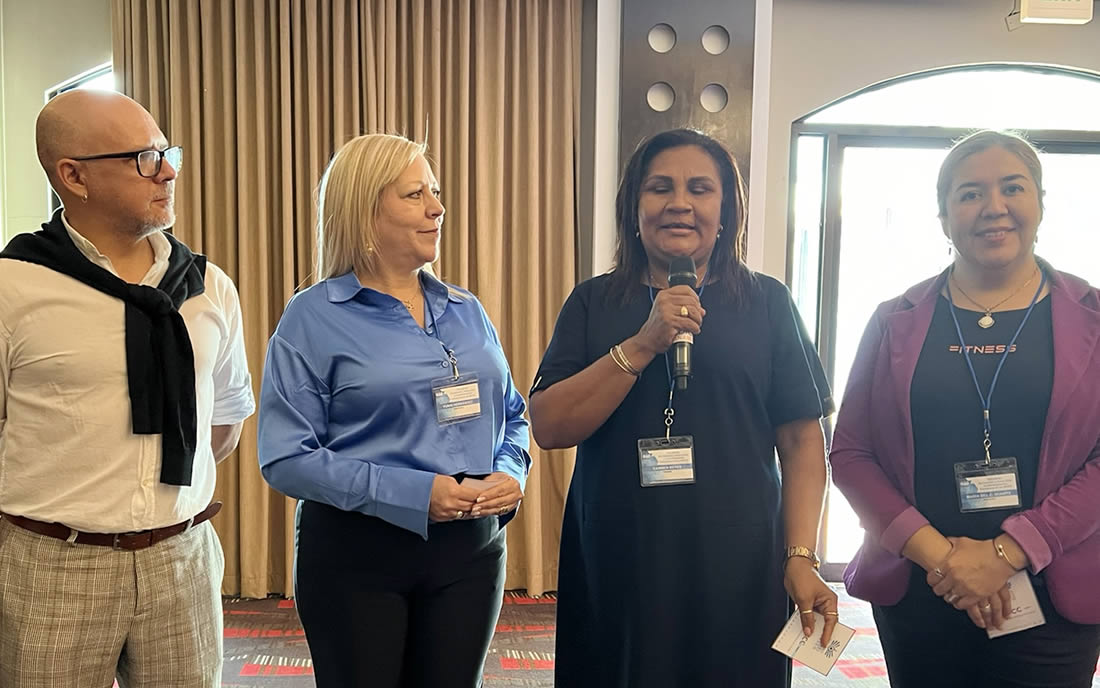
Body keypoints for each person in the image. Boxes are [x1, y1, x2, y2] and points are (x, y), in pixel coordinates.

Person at [530, 128, 838, 687]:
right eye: (659, 188)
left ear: (727, 211)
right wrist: (642, 344)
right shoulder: (594, 301)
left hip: (739, 558)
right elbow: (549, 425)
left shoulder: (767, 301)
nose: (679, 203)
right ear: (634, 208)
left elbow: (801, 441)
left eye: (700, 189)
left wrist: (800, 554)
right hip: (620, 554)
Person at [257, 133, 531, 687]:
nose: (438, 208)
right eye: (415, 194)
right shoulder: (311, 317)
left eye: (436, 192)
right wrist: (412, 493)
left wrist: (512, 471)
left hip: (471, 551)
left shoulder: (466, 309)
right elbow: (286, 458)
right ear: (365, 211)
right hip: (359, 555)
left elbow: (513, 415)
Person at [0, 91, 255, 687]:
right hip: (50, 566)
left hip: (182, 559)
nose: (168, 172)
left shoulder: (208, 286)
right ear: (74, 176)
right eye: (144, 157)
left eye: (168, 153)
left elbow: (223, 425)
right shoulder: (13, 287)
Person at [830, 130, 1100, 688]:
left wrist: (1007, 553)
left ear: (1041, 203)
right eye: (970, 193)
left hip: (1054, 592)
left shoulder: (1093, 316)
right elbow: (852, 453)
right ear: (943, 215)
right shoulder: (893, 319)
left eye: (1012, 188)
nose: (993, 207)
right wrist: (942, 558)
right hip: (922, 584)